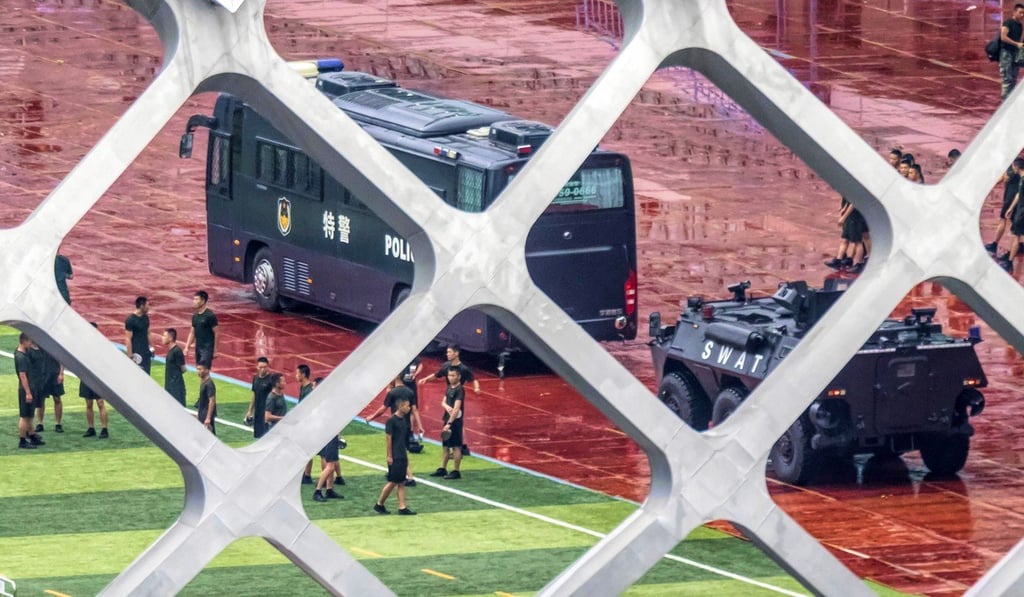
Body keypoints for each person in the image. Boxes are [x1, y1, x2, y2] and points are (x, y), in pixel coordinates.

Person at [366, 376, 421, 486]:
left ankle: (405, 475)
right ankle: (407, 475)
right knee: (403, 450)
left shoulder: (393, 393)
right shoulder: (410, 391)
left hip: (396, 425)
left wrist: (372, 417)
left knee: (393, 449)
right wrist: (419, 425)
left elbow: (383, 408)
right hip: (406, 425)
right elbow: (415, 410)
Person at [373, 394, 415, 514]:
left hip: (402, 454)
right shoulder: (391, 421)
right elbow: (388, 439)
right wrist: (389, 455)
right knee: (393, 481)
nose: (409, 408)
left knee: (401, 481)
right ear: (400, 406)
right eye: (407, 406)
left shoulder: (403, 421)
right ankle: (379, 504)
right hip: (396, 455)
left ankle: (402, 507)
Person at [430, 367, 465, 480]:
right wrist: (446, 407)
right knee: (445, 446)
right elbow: (443, 402)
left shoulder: (460, 390)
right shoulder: (449, 387)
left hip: (454, 422)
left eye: (453, 375)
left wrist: (449, 423)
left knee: (456, 447)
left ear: (458, 376)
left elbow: (456, 409)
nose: (450, 378)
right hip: (446, 419)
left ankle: (456, 471)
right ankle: (442, 468)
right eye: (449, 375)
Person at [986, 158, 1024, 257]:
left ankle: (996, 245)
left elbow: (1004, 177)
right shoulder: (1016, 163)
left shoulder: (1013, 166)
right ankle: (1018, 246)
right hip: (1014, 198)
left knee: (1005, 221)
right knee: (1015, 224)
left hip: (1011, 199)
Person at [15, 334, 43, 449]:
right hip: (26, 389)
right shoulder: (21, 357)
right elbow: (22, 375)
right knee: (25, 415)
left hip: (30, 387)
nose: (30, 344)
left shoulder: (22, 353)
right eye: (29, 342)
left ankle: (31, 435)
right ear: (23, 341)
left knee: (30, 414)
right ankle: (22, 440)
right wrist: (28, 392)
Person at [32, 343, 65, 433]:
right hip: (42, 374)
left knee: (57, 398)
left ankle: (58, 423)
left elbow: (61, 358)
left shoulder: (55, 342)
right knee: (41, 399)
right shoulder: (40, 341)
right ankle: (40, 423)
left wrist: (61, 373)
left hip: (55, 373)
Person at [183, 290, 218, 366]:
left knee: (204, 370)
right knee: (199, 370)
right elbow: (192, 332)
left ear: (203, 301)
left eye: (196, 299)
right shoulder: (195, 316)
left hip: (207, 349)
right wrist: (186, 347)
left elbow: (216, 333)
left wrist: (215, 350)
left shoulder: (210, 316)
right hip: (198, 348)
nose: (193, 301)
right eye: (194, 299)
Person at [296, 364, 317, 484]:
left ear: (303, 374)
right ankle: (305, 473)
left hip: (308, 423)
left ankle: (307, 474)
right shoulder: (303, 387)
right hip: (303, 422)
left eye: (297, 373)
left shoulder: (308, 389)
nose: (296, 376)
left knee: (307, 449)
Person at [245, 356, 273, 438]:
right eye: (260, 367)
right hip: (258, 412)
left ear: (268, 367)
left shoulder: (271, 380)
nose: (262, 369)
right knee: (258, 435)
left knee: (267, 436)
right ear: (257, 367)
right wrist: (250, 410)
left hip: (266, 412)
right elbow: (254, 394)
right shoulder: (255, 378)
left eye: (264, 367)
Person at [1001, 4, 1024, 100]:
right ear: (1014, 12)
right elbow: (1003, 37)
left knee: (1013, 79)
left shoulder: (1020, 25)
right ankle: (1005, 102)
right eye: (1020, 12)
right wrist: (1016, 44)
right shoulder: (1008, 23)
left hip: (1015, 54)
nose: (1022, 15)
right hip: (1006, 54)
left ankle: (1010, 101)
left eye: (1023, 13)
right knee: (1007, 79)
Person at [125, 296, 152, 373]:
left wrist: (151, 347)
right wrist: (130, 355)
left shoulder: (146, 317)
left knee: (147, 375)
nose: (148, 307)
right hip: (137, 352)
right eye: (147, 305)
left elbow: (148, 332)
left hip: (146, 352)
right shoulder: (131, 320)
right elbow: (128, 338)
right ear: (141, 306)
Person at [163, 328, 187, 406]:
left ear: (170, 338)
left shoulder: (177, 351)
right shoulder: (171, 351)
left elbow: (183, 369)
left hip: (176, 387)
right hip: (170, 385)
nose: (162, 337)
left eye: (164, 336)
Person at [196, 361, 217, 435]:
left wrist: (208, 417)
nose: (198, 372)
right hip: (202, 413)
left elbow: (212, 400)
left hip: (206, 413)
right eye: (197, 369)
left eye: (200, 369)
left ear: (206, 370)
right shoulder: (203, 382)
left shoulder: (209, 384)